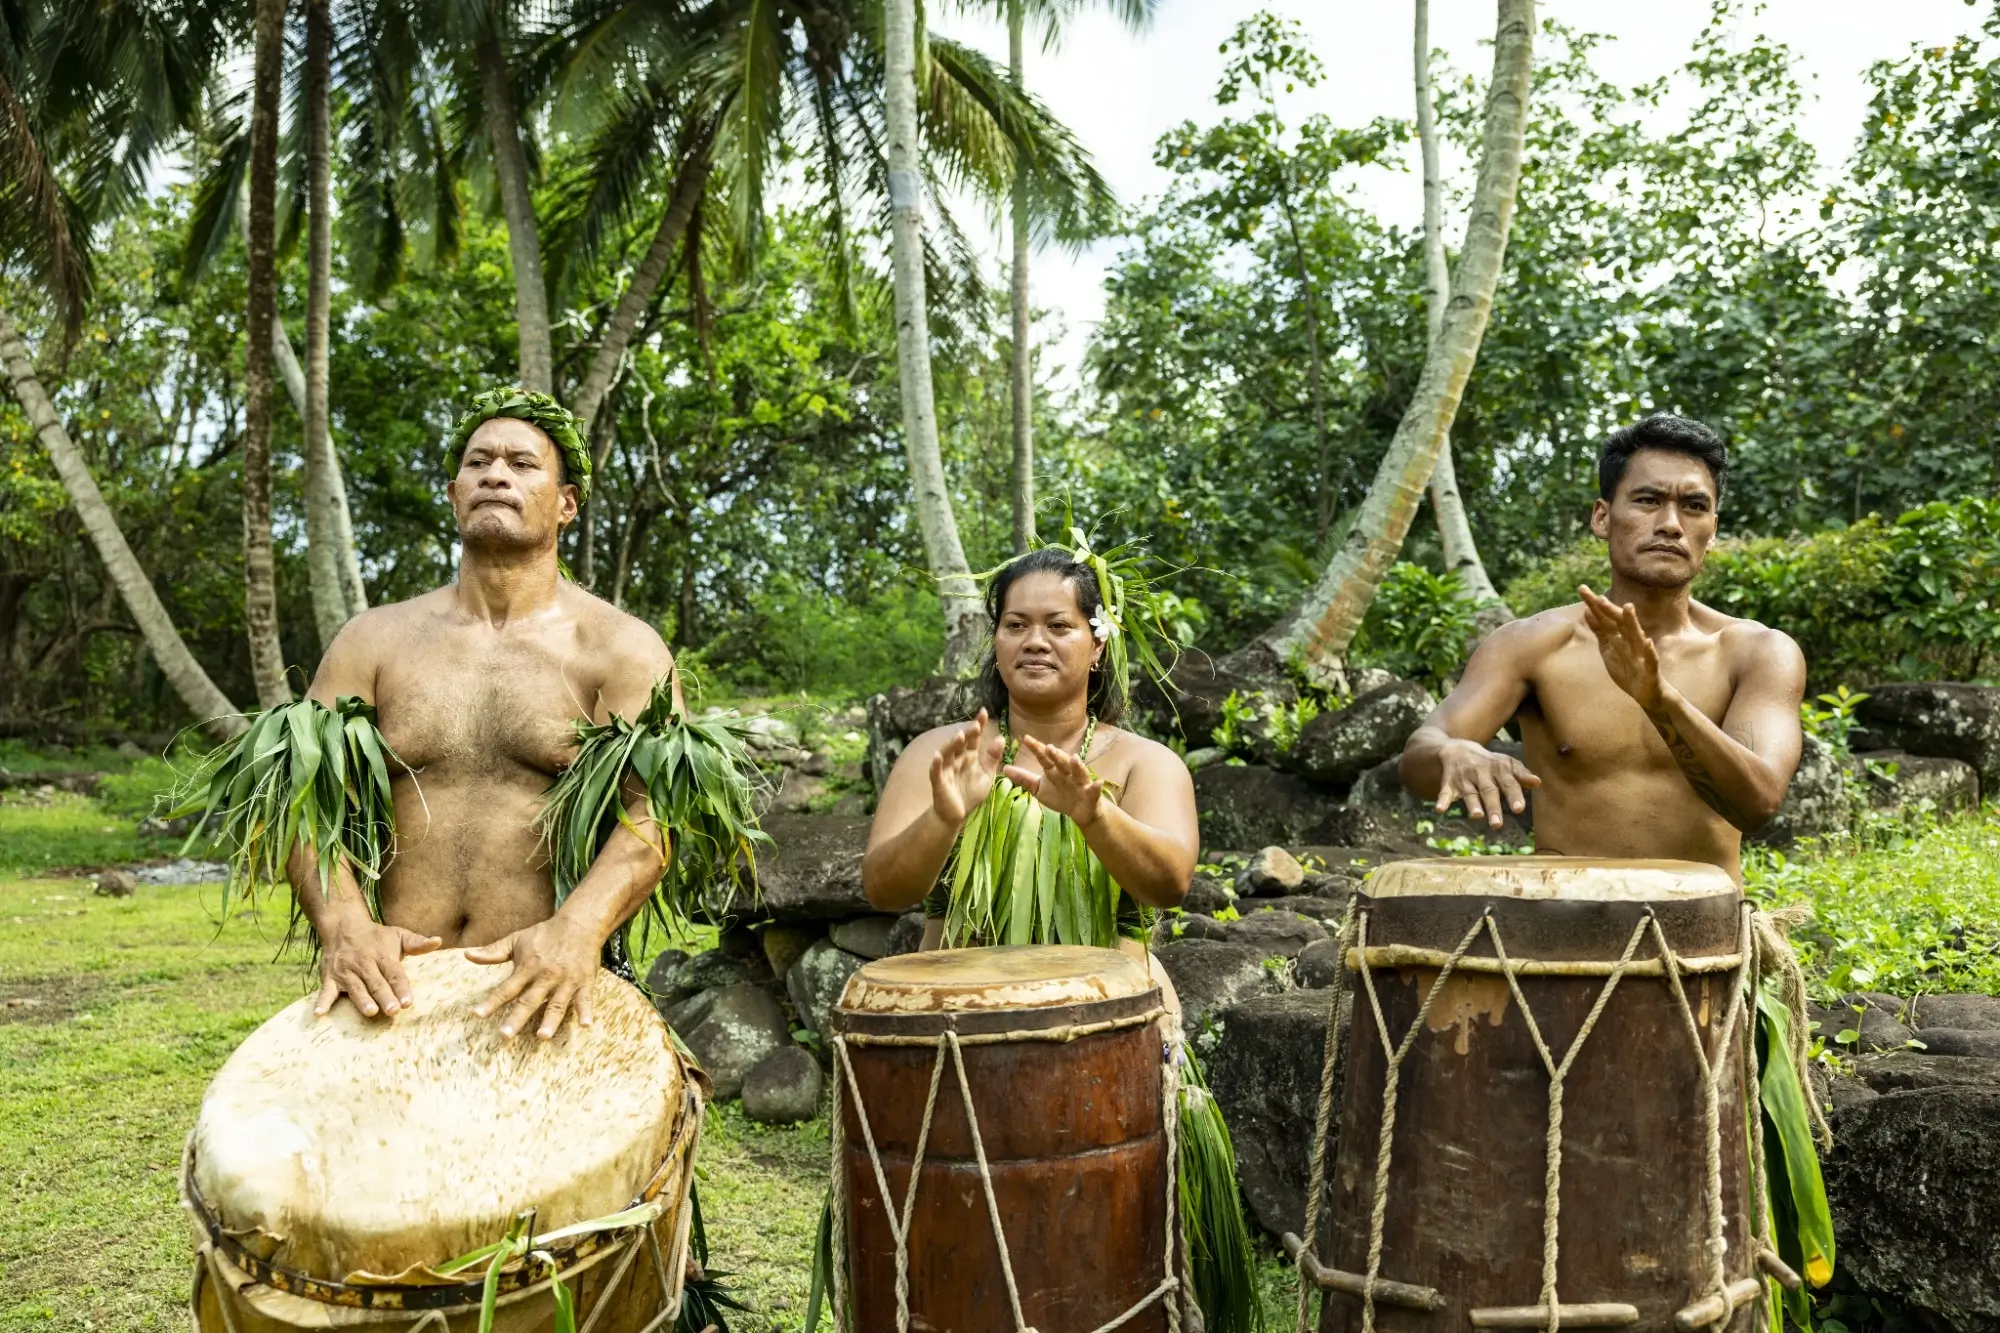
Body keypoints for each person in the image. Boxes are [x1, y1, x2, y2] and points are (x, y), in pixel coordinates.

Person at [194, 388, 744, 1041]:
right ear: (455, 496)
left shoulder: (618, 649)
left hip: (545, 987)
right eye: (479, 462)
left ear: (566, 504)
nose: (496, 475)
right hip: (393, 992)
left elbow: (657, 811)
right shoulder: (375, 641)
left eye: (522, 463)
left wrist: (578, 928)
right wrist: (345, 924)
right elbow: (299, 798)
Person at [1399, 413, 1805, 879]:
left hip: (1703, 919)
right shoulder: (1532, 645)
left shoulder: (1757, 653)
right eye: (1648, 500)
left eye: (1693, 506)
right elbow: (1419, 755)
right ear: (1602, 517)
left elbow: (1759, 803)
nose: (1671, 524)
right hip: (1561, 914)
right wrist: (1451, 754)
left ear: (1711, 531)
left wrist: (1661, 700)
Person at [861, 545, 1194, 984]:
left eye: (1058, 626)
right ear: (997, 641)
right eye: (1016, 625)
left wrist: (1096, 816)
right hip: (957, 1007)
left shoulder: (1145, 763)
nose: (1035, 641)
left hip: (1115, 1007)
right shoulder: (940, 753)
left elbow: (1170, 886)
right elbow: (883, 891)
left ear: (1097, 644)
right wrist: (942, 818)